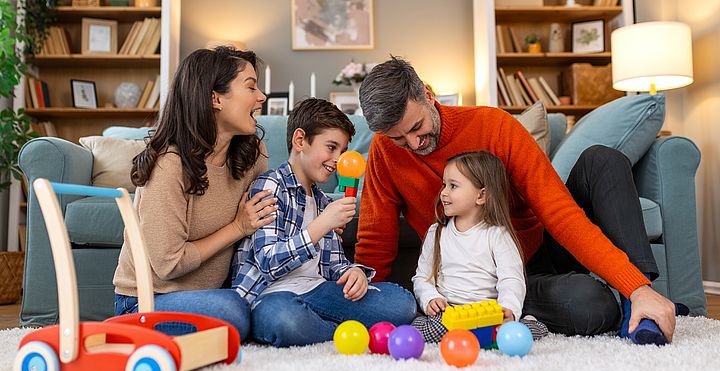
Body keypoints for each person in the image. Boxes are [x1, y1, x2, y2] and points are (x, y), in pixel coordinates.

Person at [355, 56, 679, 344]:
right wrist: (370, 304)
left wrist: (635, 285)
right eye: (398, 138)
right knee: (592, 307)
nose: (413, 143)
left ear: (427, 95)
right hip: (487, 285)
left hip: (538, 250)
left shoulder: (493, 126)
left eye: (417, 127)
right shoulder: (385, 153)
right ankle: (611, 300)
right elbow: (376, 239)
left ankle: (640, 297)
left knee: (603, 160)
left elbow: (559, 212)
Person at [113, 46, 277, 340]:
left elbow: (269, 217)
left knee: (268, 308)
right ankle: (121, 330)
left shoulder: (253, 154)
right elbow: (168, 264)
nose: (261, 96)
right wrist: (237, 227)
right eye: (251, 87)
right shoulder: (169, 165)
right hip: (146, 301)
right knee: (235, 312)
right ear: (215, 98)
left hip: (214, 296)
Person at [231, 98, 416, 348]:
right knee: (285, 322)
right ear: (300, 141)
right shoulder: (271, 185)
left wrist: (354, 273)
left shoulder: (322, 200)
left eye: (341, 151)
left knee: (402, 304)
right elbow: (267, 262)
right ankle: (343, 330)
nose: (337, 159)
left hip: (317, 291)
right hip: (272, 295)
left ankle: (323, 327)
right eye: (331, 147)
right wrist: (322, 224)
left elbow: (333, 266)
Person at [411, 151, 548, 343]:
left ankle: (529, 323)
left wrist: (508, 310)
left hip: (485, 316)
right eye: (444, 184)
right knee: (427, 329)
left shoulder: (497, 235)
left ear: (481, 195)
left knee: (507, 336)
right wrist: (430, 299)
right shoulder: (437, 232)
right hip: (448, 314)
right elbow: (422, 277)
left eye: (453, 186)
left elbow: (511, 279)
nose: (443, 192)